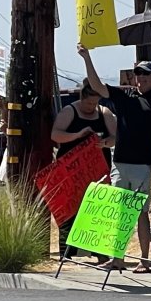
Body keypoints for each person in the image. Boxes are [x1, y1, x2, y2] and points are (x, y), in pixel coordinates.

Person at [78, 45, 151, 274]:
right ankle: (117, 258)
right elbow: (97, 86)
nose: (140, 78)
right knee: (120, 212)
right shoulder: (124, 96)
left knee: (140, 213)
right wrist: (86, 58)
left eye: (145, 74)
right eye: (137, 74)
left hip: (142, 165)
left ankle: (144, 260)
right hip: (120, 162)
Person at [50, 80, 117, 259]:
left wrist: (105, 143)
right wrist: (78, 135)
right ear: (82, 97)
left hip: (97, 169)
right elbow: (55, 135)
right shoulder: (69, 112)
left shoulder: (104, 113)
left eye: (95, 103)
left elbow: (115, 137)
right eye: (88, 103)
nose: (91, 107)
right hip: (71, 169)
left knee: (97, 209)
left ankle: (99, 252)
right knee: (70, 208)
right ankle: (67, 252)